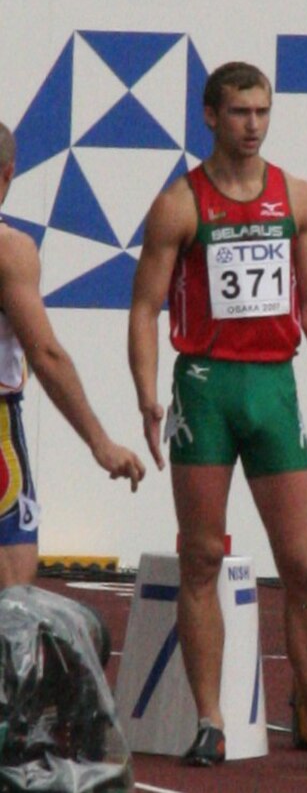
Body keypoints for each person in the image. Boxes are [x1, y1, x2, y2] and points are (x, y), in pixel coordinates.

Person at [128, 62, 307, 771]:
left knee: (303, 563)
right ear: (210, 115)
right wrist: (147, 392)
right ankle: (208, 719)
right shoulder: (180, 203)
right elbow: (145, 306)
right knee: (201, 556)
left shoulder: (296, 196)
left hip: (274, 388)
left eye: (263, 112)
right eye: (240, 112)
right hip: (205, 386)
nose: (253, 125)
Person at [0, 122, 145, 590]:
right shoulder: (9, 251)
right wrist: (100, 443)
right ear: (8, 174)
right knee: (12, 603)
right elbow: (46, 355)